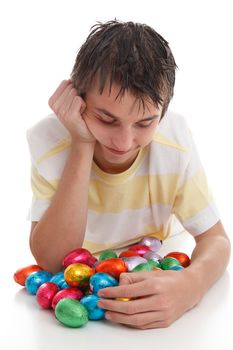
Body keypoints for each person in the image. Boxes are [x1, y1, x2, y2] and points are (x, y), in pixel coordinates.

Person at [27, 20, 231, 329]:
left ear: (162, 115)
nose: (123, 142)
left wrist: (192, 286)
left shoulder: (172, 142)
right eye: (106, 119)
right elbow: (53, 261)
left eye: (145, 123)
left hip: (152, 255)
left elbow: (216, 239)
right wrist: (82, 143)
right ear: (77, 102)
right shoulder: (51, 143)